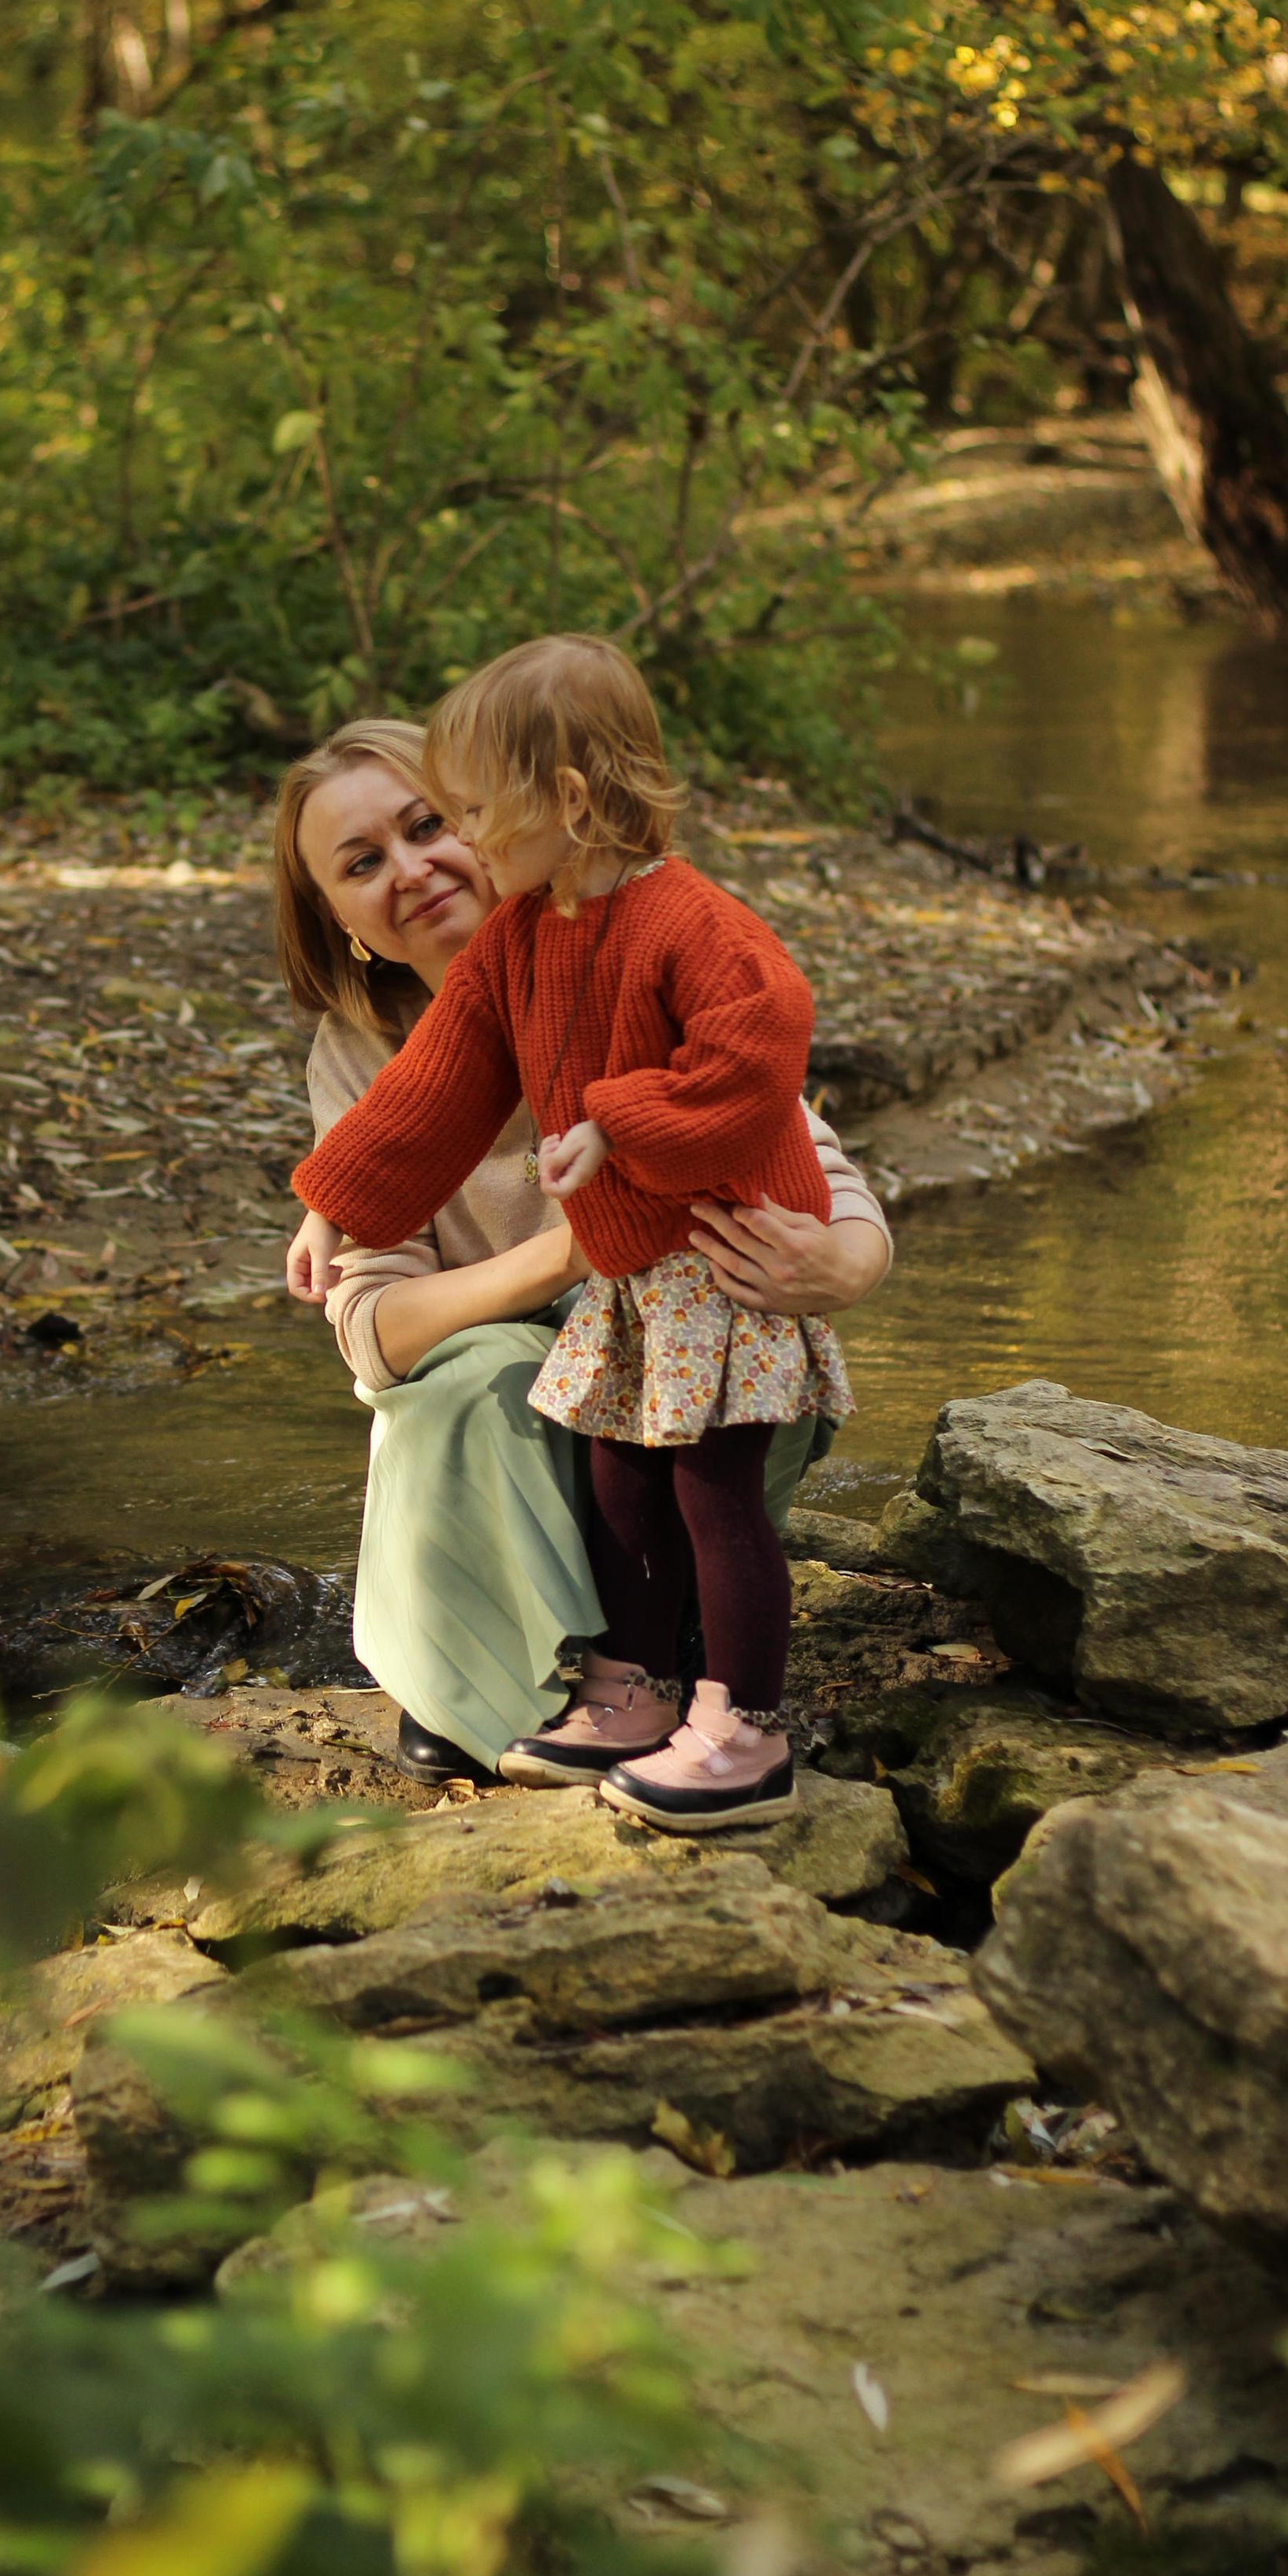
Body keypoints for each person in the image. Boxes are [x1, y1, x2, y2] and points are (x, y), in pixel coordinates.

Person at [291, 636, 878, 1831]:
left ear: (558, 801)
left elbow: (764, 1072)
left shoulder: (683, 922)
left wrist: (626, 1125)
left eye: (452, 816)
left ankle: (743, 1732)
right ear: (338, 915)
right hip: (617, 1300)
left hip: (711, 1295)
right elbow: (434, 1090)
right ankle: (615, 1686)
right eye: (366, 859)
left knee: (708, 1492)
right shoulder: (509, 955)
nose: (434, 853)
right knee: (601, 1463)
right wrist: (337, 1202)